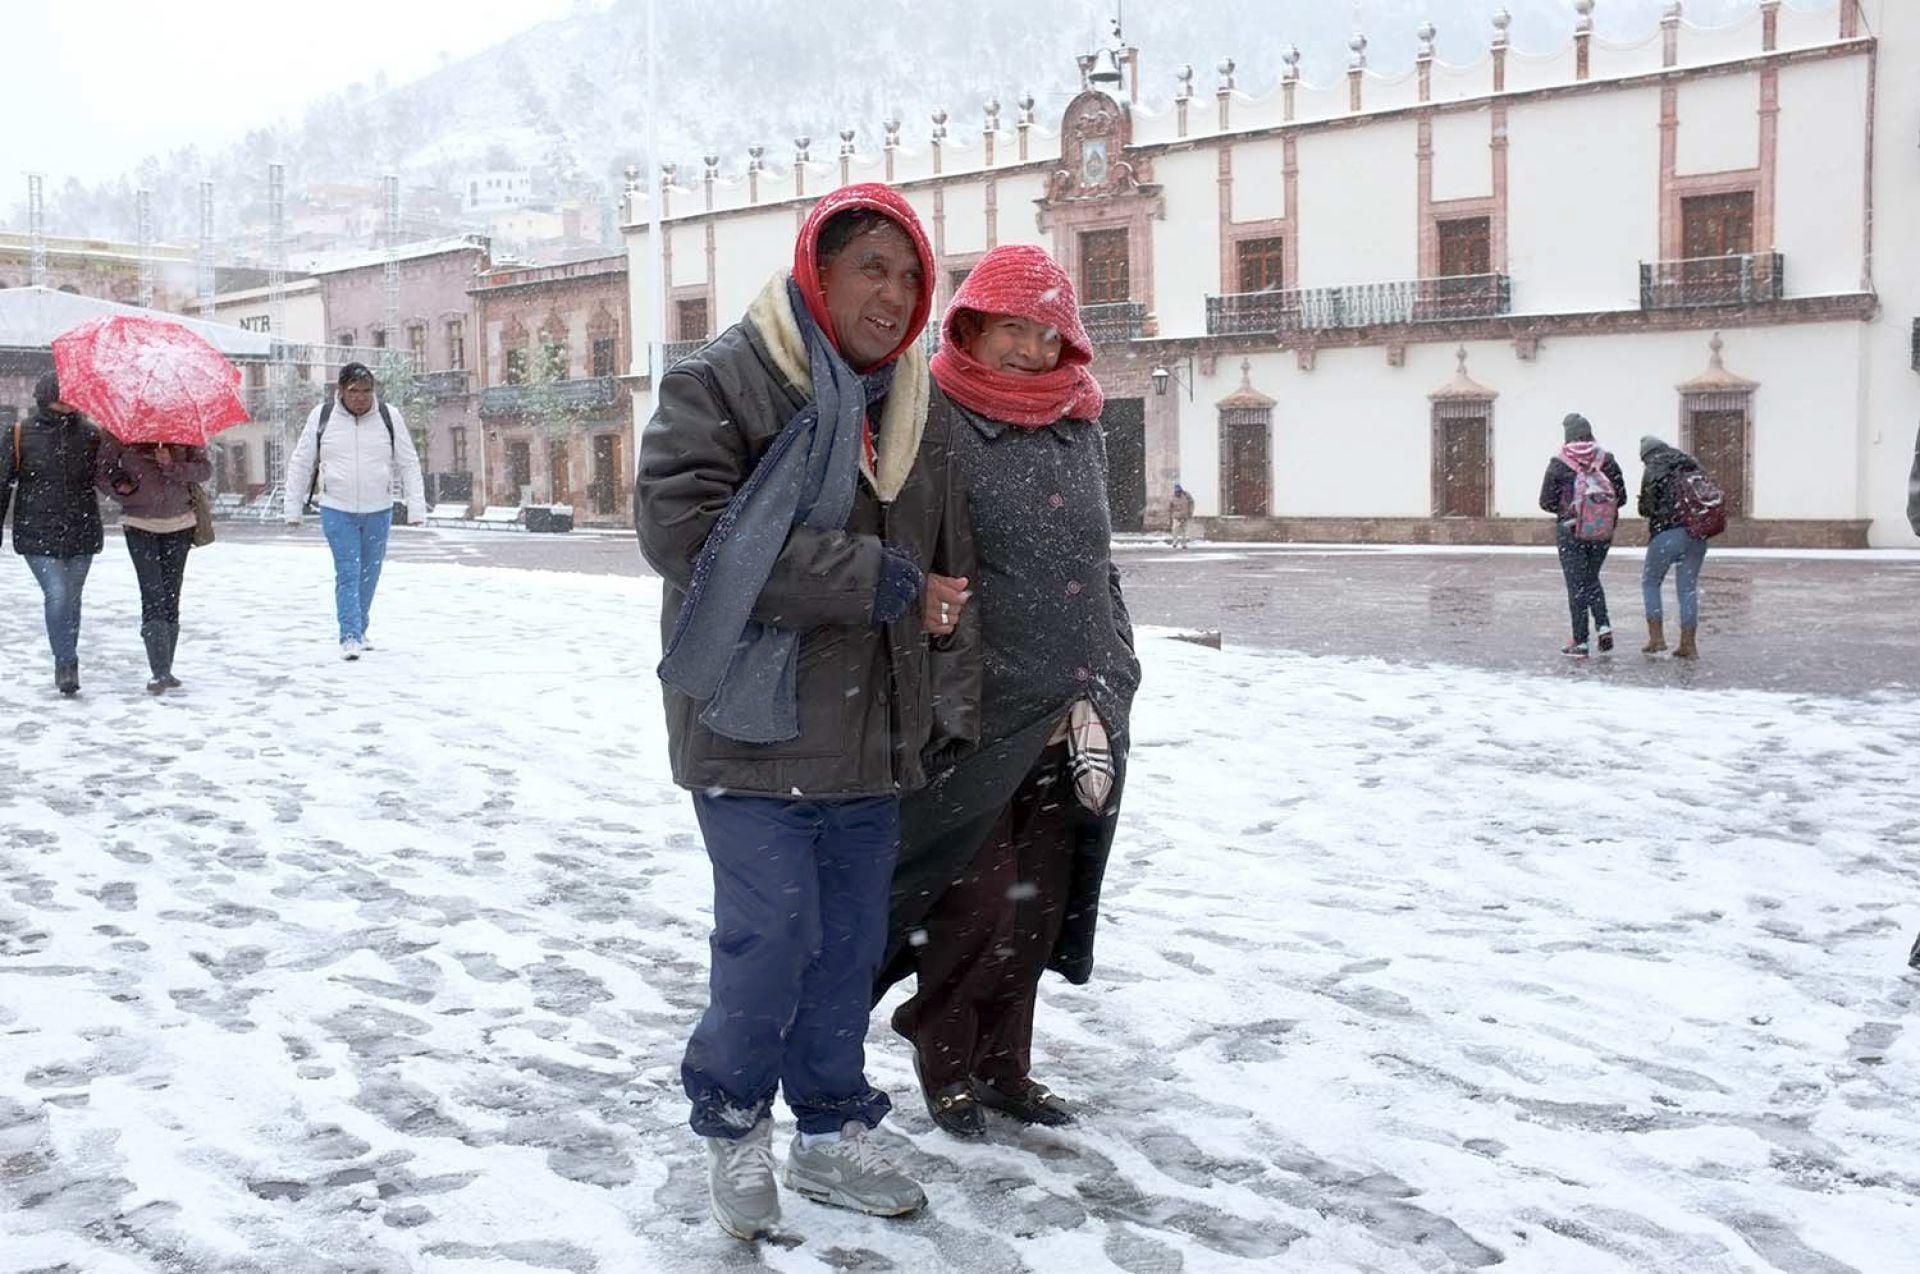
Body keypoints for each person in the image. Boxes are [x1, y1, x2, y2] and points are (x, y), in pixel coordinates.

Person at [634, 183, 978, 1240]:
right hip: (752, 725)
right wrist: (879, 579)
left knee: (846, 948)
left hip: (869, 734)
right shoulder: (724, 380)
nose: (895, 292)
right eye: (872, 266)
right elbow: (688, 536)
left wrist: (943, 655)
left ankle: (829, 1129)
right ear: (815, 271)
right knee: (771, 935)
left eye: (912, 273)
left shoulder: (914, 403)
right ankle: (734, 1121)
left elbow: (948, 564)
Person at [878, 243, 1140, 1141]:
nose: (1029, 350)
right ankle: (943, 1052)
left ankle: (1006, 1066)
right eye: (1011, 330)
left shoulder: (1081, 419)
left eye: (1046, 331)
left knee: (1041, 900)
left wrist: (1119, 661)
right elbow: (913, 547)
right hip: (981, 706)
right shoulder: (933, 413)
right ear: (969, 325)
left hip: (1078, 696)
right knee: (977, 902)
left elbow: (1098, 560)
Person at [283, 363, 428, 660]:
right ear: (340, 391)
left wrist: (416, 506)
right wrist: (292, 507)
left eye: (366, 391)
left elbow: (409, 462)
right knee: (348, 570)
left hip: (379, 508)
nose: (361, 397)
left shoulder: (389, 417)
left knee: (369, 572)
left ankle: (360, 627)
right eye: (354, 391)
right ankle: (349, 634)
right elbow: (301, 462)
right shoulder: (322, 417)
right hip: (337, 507)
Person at [0, 373, 109, 696]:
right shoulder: (19, 433)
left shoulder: (90, 434)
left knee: (72, 600)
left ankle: (67, 658)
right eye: (64, 397)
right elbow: (2, 483)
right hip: (37, 531)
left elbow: (104, 476)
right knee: (58, 595)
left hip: (81, 528)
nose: (70, 403)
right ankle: (65, 662)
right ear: (47, 398)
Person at [100, 441, 212, 692]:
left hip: (180, 523)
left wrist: (172, 466)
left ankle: (166, 668)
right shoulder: (120, 431)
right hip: (139, 523)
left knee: (172, 594)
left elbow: (204, 470)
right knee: (152, 593)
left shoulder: (182, 428)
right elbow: (102, 471)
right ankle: (159, 670)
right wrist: (123, 488)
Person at [1538, 412, 1626, 659]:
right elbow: (1622, 497)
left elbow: (1545, 501)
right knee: (1591, 578)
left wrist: (1571, 509)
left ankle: (1580, 640)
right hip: (1602, 531)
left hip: (1571, 530)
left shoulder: (1559, 462)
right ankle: (1603, 625)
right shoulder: (1606, 460)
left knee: (1576, 585)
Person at [1636, 434, 1712, 660]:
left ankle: (1657, 639)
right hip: (1697, 534)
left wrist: (1644, 503)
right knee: (1687, 589)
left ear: (1647, 455)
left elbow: (1647, 508)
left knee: (1651, 582)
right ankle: (1688, 644)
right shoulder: (1691, 464)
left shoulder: (1654, 468)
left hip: (1667, 533)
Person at [1168, 482, 1195, 548]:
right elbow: (1169, 506)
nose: (1178, 493)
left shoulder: (1186, 495)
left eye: (1179, 491)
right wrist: (1171, 513)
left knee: (1184, 531)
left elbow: (1191, 503)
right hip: (1176, 516)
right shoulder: (1172, 497)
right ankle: (1175, 542)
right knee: (1175, 530)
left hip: (1185, 516)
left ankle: (1184, 544)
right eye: (1176, 492)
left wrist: (1190, 512)